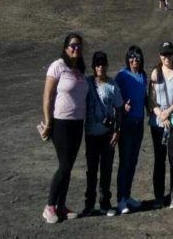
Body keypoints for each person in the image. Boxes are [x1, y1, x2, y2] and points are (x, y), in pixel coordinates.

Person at [41, 33, 88, 224]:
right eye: (73, 45)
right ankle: (49, 206)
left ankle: (61, 206)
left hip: (78, 123)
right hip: (61, 123)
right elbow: (47, 96)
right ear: (66, 47)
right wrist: (48, 121)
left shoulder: (79, 69)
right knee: (64, 165)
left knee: (68, 167)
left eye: (79, 46)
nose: (76, 49)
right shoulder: (57, 66)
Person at [82, 51, 123, 217]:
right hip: (91, 134)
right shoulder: (86, 83)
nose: (100, 67)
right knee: (91, 170)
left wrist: (117, 130)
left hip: (107, 135)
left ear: (106, 66)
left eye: (102, 64)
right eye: (97, 64)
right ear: (93, 66)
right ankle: (89, 204)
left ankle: (105, 203)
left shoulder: (112, 86)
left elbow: (119, 109)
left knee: (106, 170)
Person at [148, 41, 173, 209]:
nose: (167, 57)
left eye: (169, 54)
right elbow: (151, 99)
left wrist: (168, 113)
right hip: (158, 123)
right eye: (164, 54)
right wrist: (160, 114)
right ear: (160, 56)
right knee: (159, 160)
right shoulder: (155, 73)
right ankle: (158, 197)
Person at [115, 46, 147, 214]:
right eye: (131, 58)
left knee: (133, 161)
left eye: (137, 58)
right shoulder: (122, 75)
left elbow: (146, 97)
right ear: (127, 59)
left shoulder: (143, 75)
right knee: (125, 161)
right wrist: (122, 106)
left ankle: (127, 195)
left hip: (138, 122)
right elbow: (115, 96)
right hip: (126, 124)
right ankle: (120, 199)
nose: (134, 61)